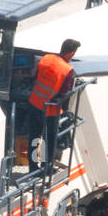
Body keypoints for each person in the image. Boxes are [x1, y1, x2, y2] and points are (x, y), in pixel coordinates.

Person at [27, 39, 80, 170]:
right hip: (50, 109)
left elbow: (34, 76)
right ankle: (47, 167)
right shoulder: (67, 69)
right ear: (71, 53)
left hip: (35, 103)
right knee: (48, 139)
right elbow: (64, 92)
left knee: (34, 137)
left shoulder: (46, 58)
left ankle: (33, 168)